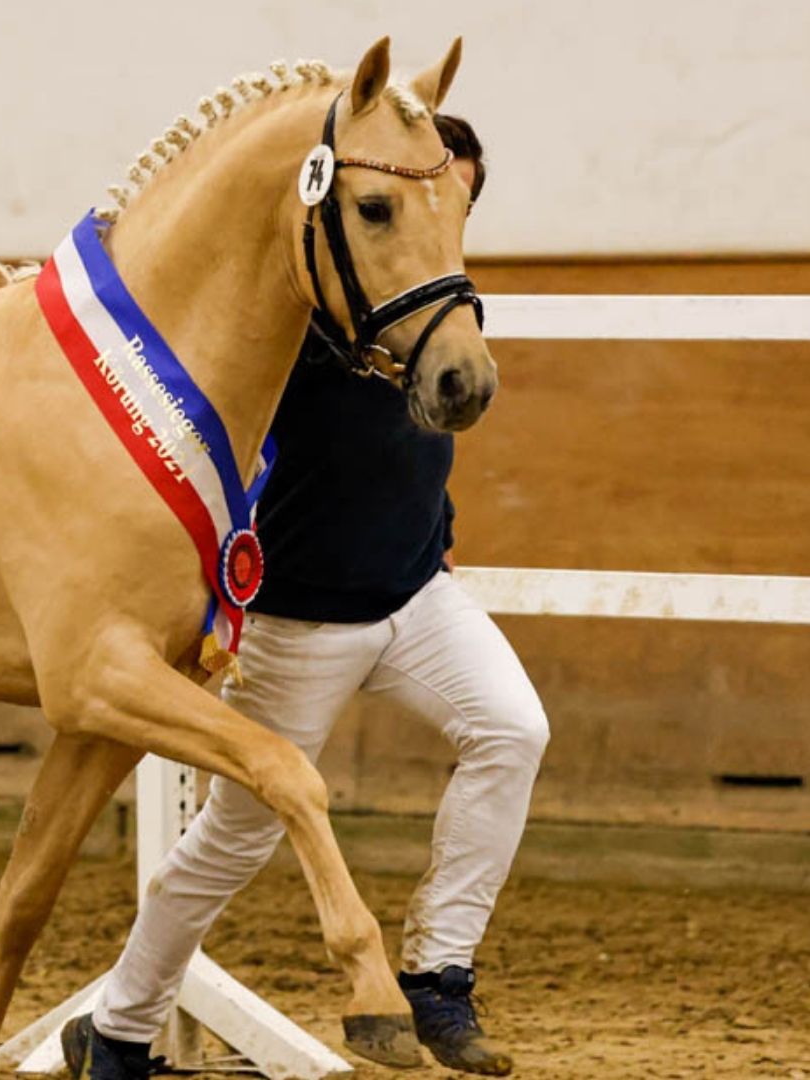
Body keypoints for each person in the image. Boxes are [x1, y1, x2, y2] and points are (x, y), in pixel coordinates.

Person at [63, 114, 545, 1078]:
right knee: (230, 843)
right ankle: (117, 1028)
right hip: (298, 617)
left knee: (513, 730)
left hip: (414, 596)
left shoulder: (434, 298)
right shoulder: (314, 297)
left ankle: (438, 977)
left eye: (459, 199)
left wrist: (435, 542)